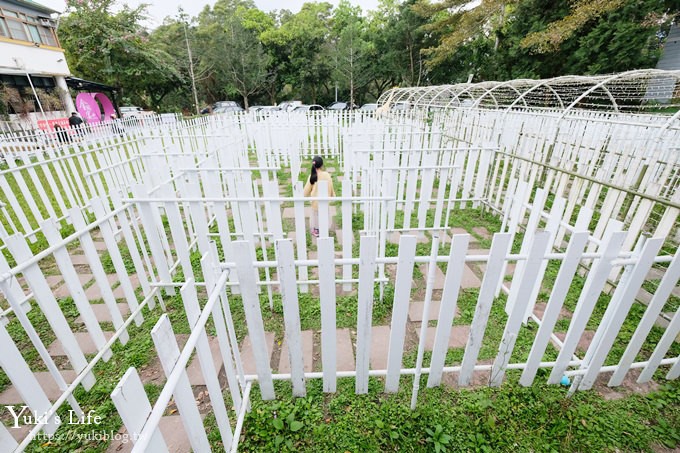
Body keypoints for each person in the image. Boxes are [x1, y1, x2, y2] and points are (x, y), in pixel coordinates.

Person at [303, 156, 335, 237]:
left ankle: (317, 230)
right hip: (325, 199)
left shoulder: (312, 176)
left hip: (315, 201)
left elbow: (306, 190)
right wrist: (332, 195)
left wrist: (303, 195)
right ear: (322, 165)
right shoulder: (327, 175)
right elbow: (330, 185)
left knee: (315, 216)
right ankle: (324, 229)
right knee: (325, 214)